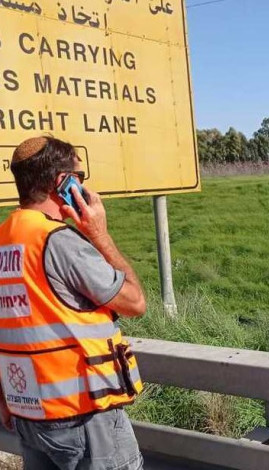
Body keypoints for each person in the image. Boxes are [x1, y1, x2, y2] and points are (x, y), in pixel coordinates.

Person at [0, 136, 147, 469]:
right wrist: (99, 234)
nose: (84, 186)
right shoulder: (59, 241)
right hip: (82, 416)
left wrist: (5, 398)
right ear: (61, 182)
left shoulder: (5, 238)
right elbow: (135, 302)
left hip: (29, 411)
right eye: (80, 178)